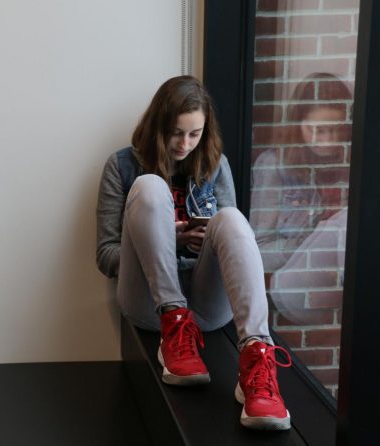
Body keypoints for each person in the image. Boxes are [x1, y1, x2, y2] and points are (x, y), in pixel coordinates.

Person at [96, 75, 291, 430]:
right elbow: (106, 256)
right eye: (176, 132)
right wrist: (167, 243)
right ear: (157, 125)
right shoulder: (121, 166)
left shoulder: (215, 165)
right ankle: (174, 325)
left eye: (194, 134)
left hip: (206, 303)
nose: (184, 144)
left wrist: (204, 243)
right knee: (149, 186)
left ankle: (257, 357)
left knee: (231, 218)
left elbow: (234, 240)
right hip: (150, 305)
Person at [251, 73, 352, 324]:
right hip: (292, 287)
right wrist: (310, 241)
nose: (327, 140)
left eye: (335, 130)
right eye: (317, 130)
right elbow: (257, 252)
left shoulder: (351, 164)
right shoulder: (274, 166)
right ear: (298, 124)